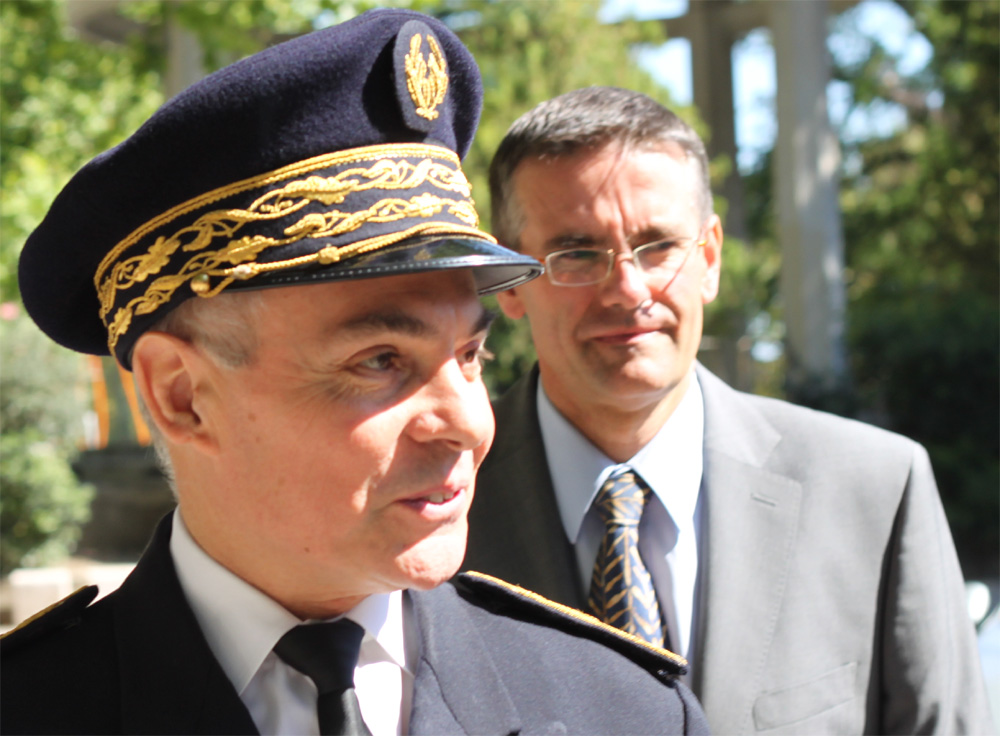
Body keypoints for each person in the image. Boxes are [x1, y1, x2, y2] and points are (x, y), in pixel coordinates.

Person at [0, 22, 710, 736]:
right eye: (381, 361)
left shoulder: (622, 709)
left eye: (470, 356)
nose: (469, 423)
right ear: (181, 395)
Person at [464, 86, 994, 735]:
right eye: (577, 253)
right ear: (511, 280)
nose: (628, 289)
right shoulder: (430, 503)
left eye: (658, 245)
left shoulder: (876, 492)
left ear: (709, 258)